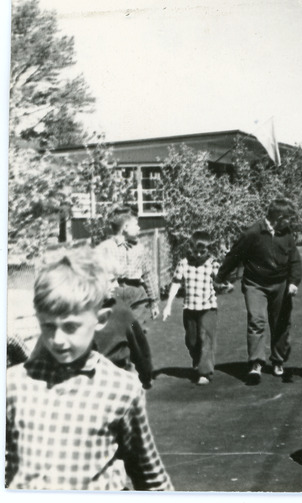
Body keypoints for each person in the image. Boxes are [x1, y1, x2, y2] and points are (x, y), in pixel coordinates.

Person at [5, 250, 173, 491]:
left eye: (71, 327)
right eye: (48, 326)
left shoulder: (121, 389)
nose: (58, 340)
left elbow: (151, 477)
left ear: (101, 319)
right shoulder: (13, 385)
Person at [215, 198, 302, 383]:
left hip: (280, 284)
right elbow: (234, 255)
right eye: (288, 218)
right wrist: (220, 277)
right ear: (279, 217)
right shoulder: (253, 233)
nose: (290, 222)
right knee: (257, 320)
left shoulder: (286, 233)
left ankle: (278, 360)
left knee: (281, 322)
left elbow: (294, 259)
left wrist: (294, 282)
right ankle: (256, 363)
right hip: (256, 284)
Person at [163, 230, 227, 386]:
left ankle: (205, 372)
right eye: (195, 251)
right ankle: (197, 358)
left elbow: (220, 281)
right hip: (190, 308)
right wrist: (168, 305)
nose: (198, 255)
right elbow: (176, 283)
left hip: (208, 307)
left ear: (208, 250)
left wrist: (224, 283)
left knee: (207, 338)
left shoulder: (213, 263)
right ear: (190, 248)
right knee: (192, 341)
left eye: (202, 252)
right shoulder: (184, 263)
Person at [95, 206, 160, 329]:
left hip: (136, 293)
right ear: (125, 228)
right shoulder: (105, 248)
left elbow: (147, 274)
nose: (139, 227)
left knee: (136, 330)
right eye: (136, 224)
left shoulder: (140, 248)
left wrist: (153, 301)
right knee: (116, 331)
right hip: (114, 293)